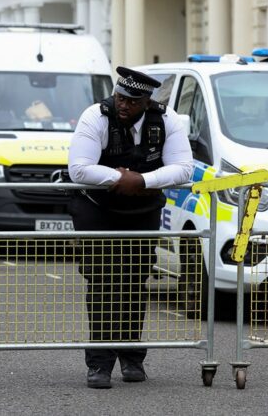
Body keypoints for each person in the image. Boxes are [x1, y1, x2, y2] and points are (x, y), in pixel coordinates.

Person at [68, 66, 193, 389]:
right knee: (103, 281)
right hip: (97, 210)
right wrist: (118, 179)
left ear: (147, 102)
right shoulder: (95, 116)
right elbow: (79, 170)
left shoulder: (167, 120)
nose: (123, 105)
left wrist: (141, 180)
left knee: (134, 280)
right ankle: (99, 363)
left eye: (132, 101)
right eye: (120, 97)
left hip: (142, 210)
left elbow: (183, 169)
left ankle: (132, 357)